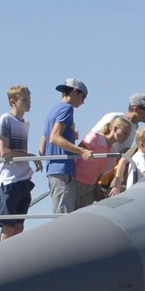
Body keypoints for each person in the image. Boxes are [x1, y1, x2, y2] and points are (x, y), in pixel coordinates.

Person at [42, 77, 94, 216]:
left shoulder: (53, 110)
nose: (83, 102)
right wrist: (82, 151)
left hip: (53, 169)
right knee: (63, 217)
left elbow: (43, 145)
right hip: (63, 170)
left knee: (61, 214)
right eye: (83, 97)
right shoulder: (67, 109)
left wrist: (69, 136)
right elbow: (54, 137)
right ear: (76, 92)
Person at [0, 84, 36, 239]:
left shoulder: (24, 123)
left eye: (29, 99)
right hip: (9, 179)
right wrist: (29, 156)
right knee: (8, 225)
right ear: (13, 101)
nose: (28, 102)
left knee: (19, 225)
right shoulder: (6, 119)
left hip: (23, 177)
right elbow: (4, 152)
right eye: (24, 99)